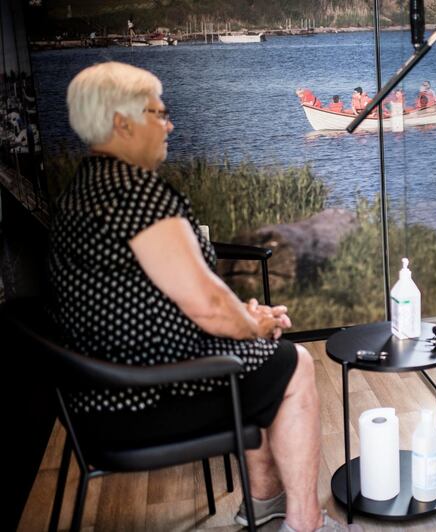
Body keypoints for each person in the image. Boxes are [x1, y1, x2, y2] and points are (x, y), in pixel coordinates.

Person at [49, 62, 355, 532]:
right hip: (140, 399)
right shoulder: (135, 194)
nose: (169, 123)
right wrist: (250, 324)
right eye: (159, 112)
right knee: (293, 365)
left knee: (258, 357)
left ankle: (264, 504)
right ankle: (305, 523)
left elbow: (162, 292)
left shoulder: (84, 187)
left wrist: (243, 318)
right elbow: (207, 305)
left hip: (100, 390)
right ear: (120, 122)